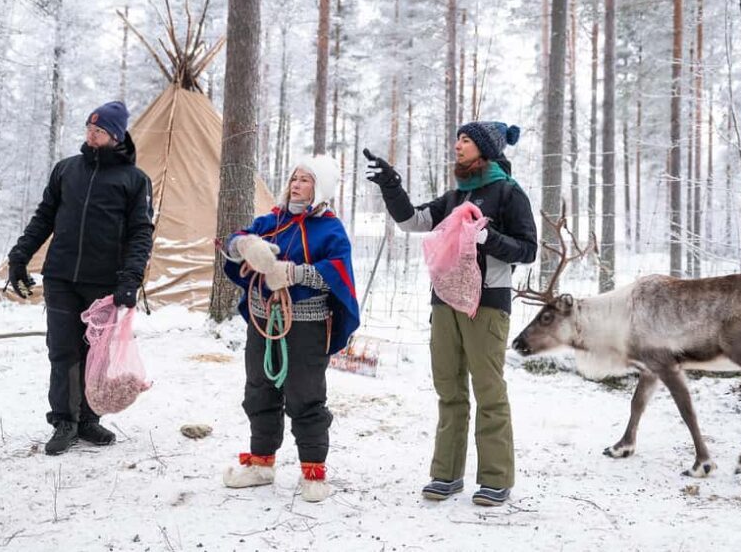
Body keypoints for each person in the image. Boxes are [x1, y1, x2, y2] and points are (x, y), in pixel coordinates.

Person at [365, 121, 537, 506]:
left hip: (487, 304)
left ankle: (495, 478)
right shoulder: (454, 196)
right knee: (449, 389)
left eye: (466, 140)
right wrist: (391, 184)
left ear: (485, 149)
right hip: (444, 304)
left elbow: (529, 250)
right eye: (457, 138)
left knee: (489, 392)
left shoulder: (509, 194)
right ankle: (446, 474)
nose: (458, 145)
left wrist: (488, 239)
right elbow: (412, 221)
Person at [7, 101, 154, 456]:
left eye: (99, 130)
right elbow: (44, 217)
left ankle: (88, 420)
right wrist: (19, 257)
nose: (91, 135)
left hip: (104, 281)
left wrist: (130, 279)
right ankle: (64, 421)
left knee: (95, 354)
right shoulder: (66, 170)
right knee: (62, 350)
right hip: (60, 276)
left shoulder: (134, 180)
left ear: (115, 136)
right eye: (89, 128)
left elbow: (140, 234)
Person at [221, 154, 359, 503]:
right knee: (259, 389)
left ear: (320, 188)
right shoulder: (272, 220)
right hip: (262, 320)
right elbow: (234, 240)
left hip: (306, 325)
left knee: (306, 396)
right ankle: (261, 464)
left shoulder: (331, 229)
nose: (296, 184)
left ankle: (313, 472)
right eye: (294, 178)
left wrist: (295, 273)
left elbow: (339, 274)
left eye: (305, 180)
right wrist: (247, 246)